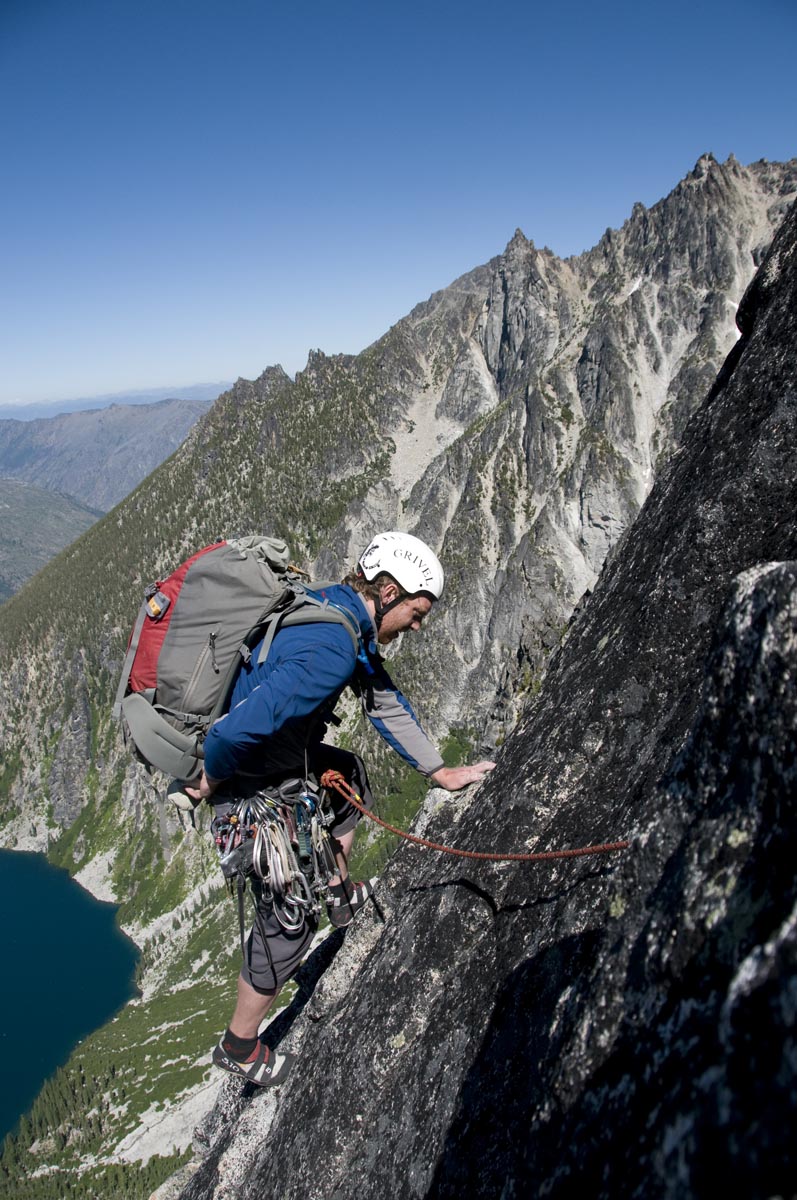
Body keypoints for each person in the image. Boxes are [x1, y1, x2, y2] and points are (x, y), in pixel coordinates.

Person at [185, 530, 495, 1087]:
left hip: (279, 762)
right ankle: (239, 1045)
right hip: (249, 781)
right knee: (289, 920)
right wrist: (208, 776)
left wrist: (439, 772)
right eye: (417, 612)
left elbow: (382, 699)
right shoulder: (332, 647)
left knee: (347, 776)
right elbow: (243, 728)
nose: (419, 625)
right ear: (390, 591)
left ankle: (339, 888)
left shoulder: (337, 611)